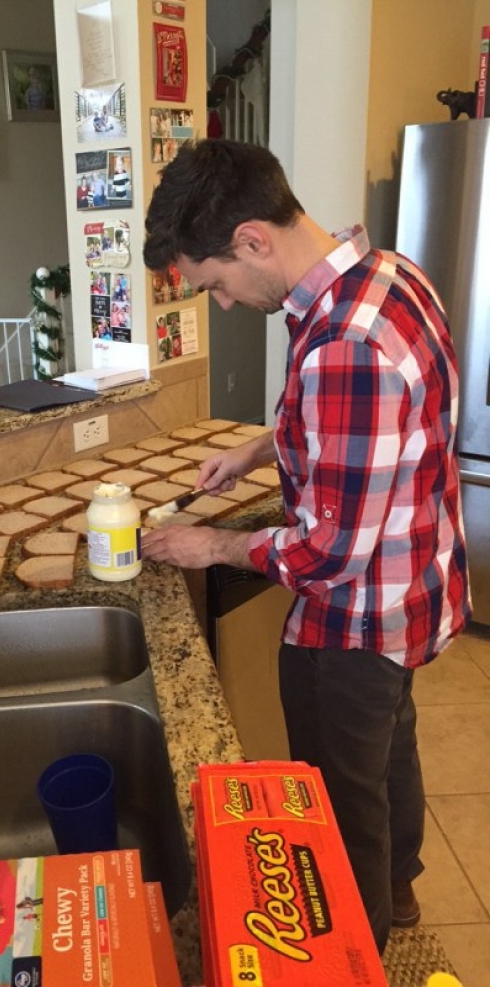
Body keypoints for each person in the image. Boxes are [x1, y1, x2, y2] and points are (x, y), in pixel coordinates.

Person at [141, 139, 472, 954]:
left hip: (359, 614)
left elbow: (329, 553)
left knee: (341, 800)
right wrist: (256, 452)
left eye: (214, 283)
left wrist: (212, 545)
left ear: (253, 238)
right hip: (415, 584)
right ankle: (399, 895)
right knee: (391, 747)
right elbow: (370, 432)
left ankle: (359, 949)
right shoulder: (386, 277)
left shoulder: (342, 348)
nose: (220, 304)